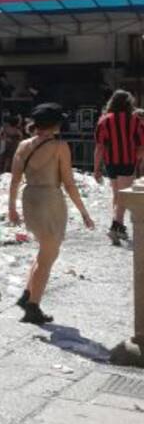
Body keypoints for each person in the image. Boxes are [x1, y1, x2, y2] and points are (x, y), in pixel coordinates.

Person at [8, 103, 94, 324]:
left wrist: (12, 208)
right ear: (56, 125)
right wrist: (84, 211)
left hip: (30, 198)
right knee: (49, 255)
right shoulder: (60, 146)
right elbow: (69, 183)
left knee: (44, 250)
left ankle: (28, 293)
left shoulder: (23, 145)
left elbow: (14, 180)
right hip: (50, 199)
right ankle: (33, 307)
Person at [94, 89, 143, 246]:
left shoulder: (104, 120)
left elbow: (100, 147)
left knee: (117, 195)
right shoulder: (134, 120)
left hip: (111, 162)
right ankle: (115, 226)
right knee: (123, 196)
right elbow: (141, 144)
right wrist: (137, 159)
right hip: (127, 161)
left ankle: (119, 227)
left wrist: (96, 168)